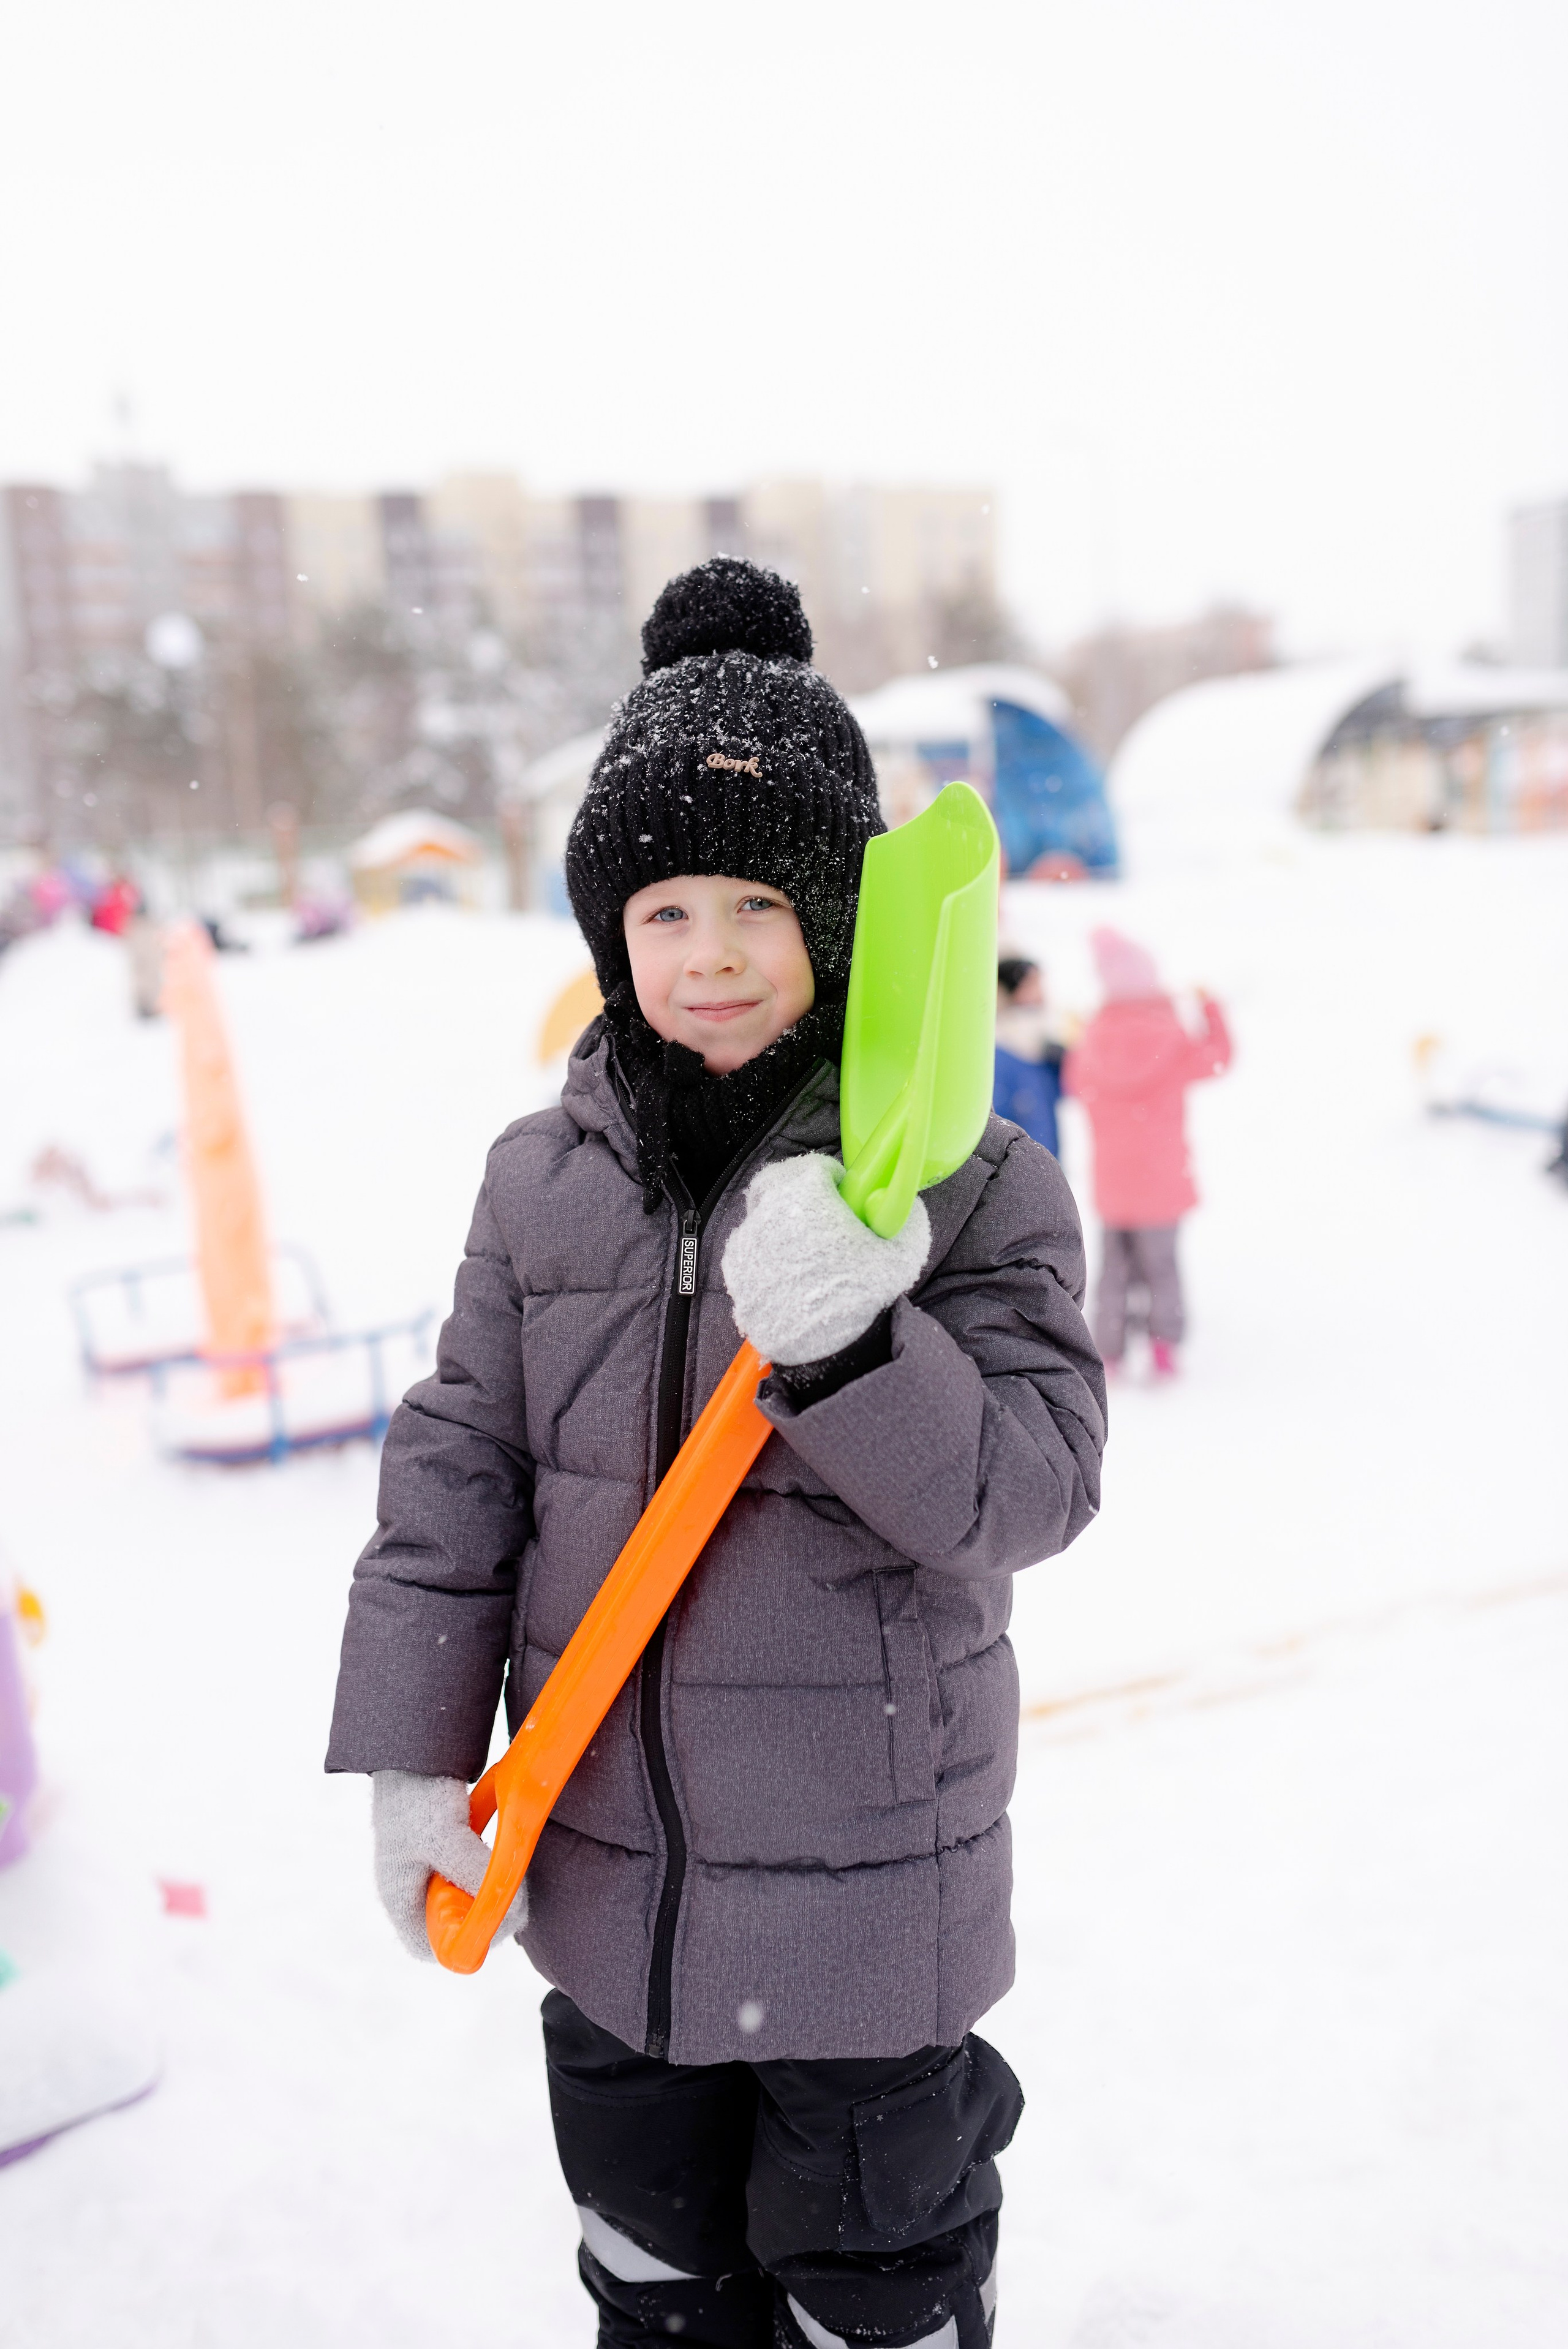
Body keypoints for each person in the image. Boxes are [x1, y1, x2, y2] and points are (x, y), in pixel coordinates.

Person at [326, 559, 1106, 2349]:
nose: (713, 954)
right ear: (610, 939)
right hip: (607, 1900)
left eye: (758, 902)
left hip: (869, 1920)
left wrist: (855, 1342)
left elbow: (1033, 1487)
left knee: (874, 2303)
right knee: (652, 2291)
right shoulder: (541, 1181)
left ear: (834, 918)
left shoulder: (964, 1181)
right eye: (664, 911)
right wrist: (408, 1757)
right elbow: (454, 1474)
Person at [1063, 927, 1231, 1380]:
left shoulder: (1094, 1038)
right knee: (1162, 1265)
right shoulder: (1171, 1036)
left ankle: (1110, 1349)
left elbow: (1075, 1084)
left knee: (1113, 1270)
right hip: (1162, 1178)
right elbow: (1219, 1057)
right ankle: (1163, 1344)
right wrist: (1210, 1010)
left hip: (1114, 1181)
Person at [993, 954, 1066, 1158]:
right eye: (1031, 985)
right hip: (1013, 1166)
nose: (1041, 994)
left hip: (1047, 1160)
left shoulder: (1046, 1045)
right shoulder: (997, 1049)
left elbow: (1069, 1092)